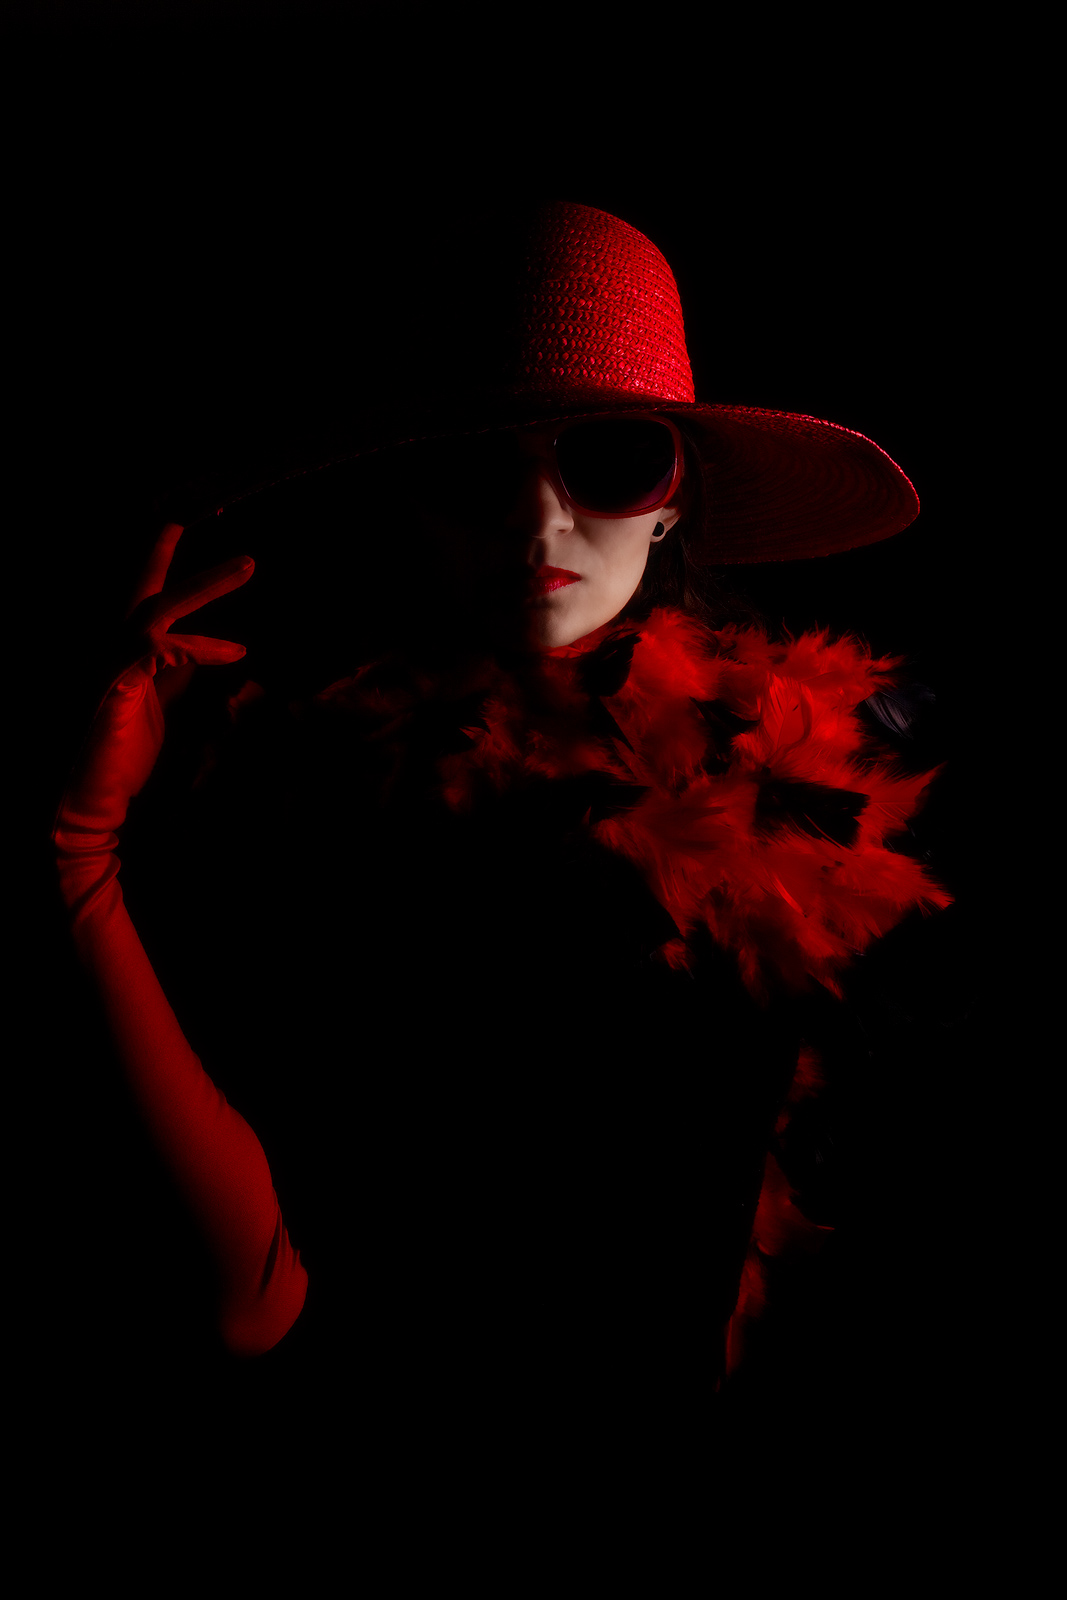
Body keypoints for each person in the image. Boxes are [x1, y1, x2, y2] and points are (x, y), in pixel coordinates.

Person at [51, 200, 953, 1424]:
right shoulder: (286, 793)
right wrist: (82, 856)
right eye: (475, 469)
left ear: (676, 498)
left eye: (608, 458)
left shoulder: (809, 804)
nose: (537, 522)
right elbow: (253, 1302)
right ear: (407, 502)